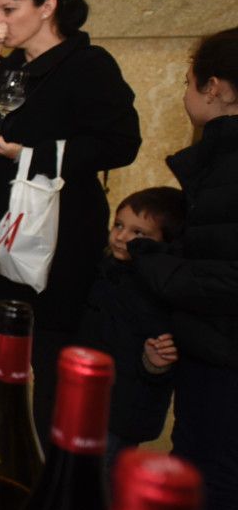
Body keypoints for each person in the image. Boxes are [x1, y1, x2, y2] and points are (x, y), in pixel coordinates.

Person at [0, 0, 141, 450]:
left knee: (51, 355)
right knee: (2, 343)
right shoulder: (8, 66)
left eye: (9, 9)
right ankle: (1, 448)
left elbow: (122, 143)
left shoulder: (88, 66)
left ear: (49, 6)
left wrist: (33, 155)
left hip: (57, 230)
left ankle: (50, 468)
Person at [128, 27, 238, 510]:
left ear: (214, 87)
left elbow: (221, 280)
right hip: (214, 353)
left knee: (213, 486)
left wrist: (151, 257)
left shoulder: (229, 161)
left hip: (223, 361)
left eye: (189, 80)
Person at [76, 187, 183, 471]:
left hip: (122, 413)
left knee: (102, 485)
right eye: (119, 225)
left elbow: (165, 358)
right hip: (89, 399)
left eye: (139, 233)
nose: (122, 237)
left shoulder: (161, 291)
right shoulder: (105, 268)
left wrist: (155, 363)